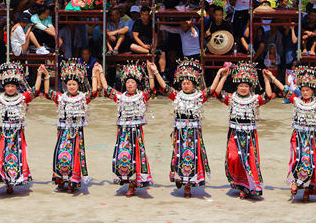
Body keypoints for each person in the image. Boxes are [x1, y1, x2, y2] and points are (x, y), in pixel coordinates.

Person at [267, 66, 316, 201]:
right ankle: (296, 183)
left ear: (312, 90)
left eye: (307, 90)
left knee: (310, 162)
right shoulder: (296, 100)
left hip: (311, 138)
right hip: (297, 137)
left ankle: (307, 189)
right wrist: (272, 77)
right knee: (298, 160)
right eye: (302, 90)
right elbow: (284, 89)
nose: (304, 92)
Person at [210, 62, 275, 199]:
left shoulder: (254, 100)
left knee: (248, 160)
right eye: (241, 86)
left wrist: (266, 79)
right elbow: (216, 93)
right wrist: (223, 76)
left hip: (249, 135)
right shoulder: (232, 99)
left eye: (246, 86)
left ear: (250, 87)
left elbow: (268, 96)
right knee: (233, 158)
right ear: (237, 86)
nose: (243, 88)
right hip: (235, 133)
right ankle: (238, 182)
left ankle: (245, 187)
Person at [150, 59, 211, 198]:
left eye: (188, 83)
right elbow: (164, 88)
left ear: (193, 84)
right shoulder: (177, 96)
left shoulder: (199, 97)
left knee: (191, 157)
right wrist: (155, 72)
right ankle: (180, 178)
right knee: (180, 156)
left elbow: (212, 90)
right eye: (183, 83)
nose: (185, 85)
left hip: (193, 134)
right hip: (180, 133)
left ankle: (188, 185)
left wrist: (220, 75)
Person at [95, 61, 156, 197]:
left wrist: (151, 71)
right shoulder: (120, 97)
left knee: (136, 157)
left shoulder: (141, 97)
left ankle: (133, 184)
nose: (129, 84)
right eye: (127, 82)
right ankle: (126, 180)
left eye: (132, 82)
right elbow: (106, 89)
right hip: (123, 133)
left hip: (136, 133)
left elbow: (152, 88)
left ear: (137, 84)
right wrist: (100, 72)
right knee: (124, 156)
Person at [0, 62, 39, 196]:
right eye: (7, 86)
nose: (10, 88)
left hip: (17, 134)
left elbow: (35, 91)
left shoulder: (22, 98)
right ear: (4, 86)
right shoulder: (0, 98)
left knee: (14, 158)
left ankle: (10, 183)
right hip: (3, 134)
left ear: (17, 87)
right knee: (0, 156)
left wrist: (40, 75)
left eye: (12, 86)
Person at [37, 61, 100, 192]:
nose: (71, 86)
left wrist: (94, 74)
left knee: (75, 155)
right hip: (63, 131)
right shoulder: (61, 97)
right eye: (69, 84)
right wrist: (47, 76)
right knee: (61, 154)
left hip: (77, 132)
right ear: (66, 85)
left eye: (74, 84)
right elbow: (47, 93)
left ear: (78, 85)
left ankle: (73, 181)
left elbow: (94, 92)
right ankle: (60, 179)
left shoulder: (83, 97)